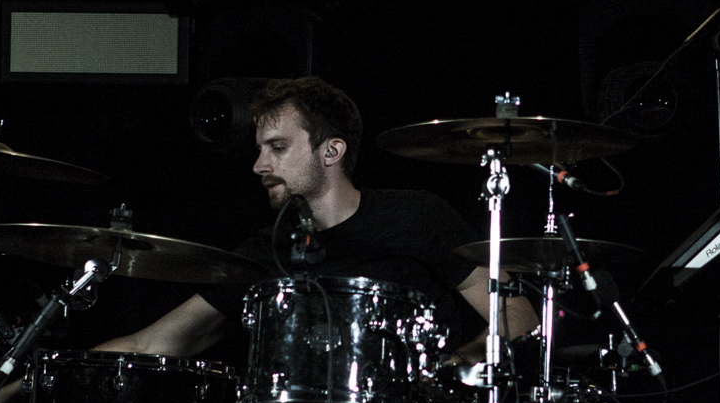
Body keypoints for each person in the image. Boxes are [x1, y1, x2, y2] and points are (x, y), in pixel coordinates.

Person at [93, 76, 538, 359]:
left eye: (278, 147)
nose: (259, 165)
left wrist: (456, 368)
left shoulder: (417, 217)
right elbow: (157, 341)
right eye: (259, 149)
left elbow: (517, 316)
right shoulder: (265, 251)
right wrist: (57, 374)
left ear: (331, 150)